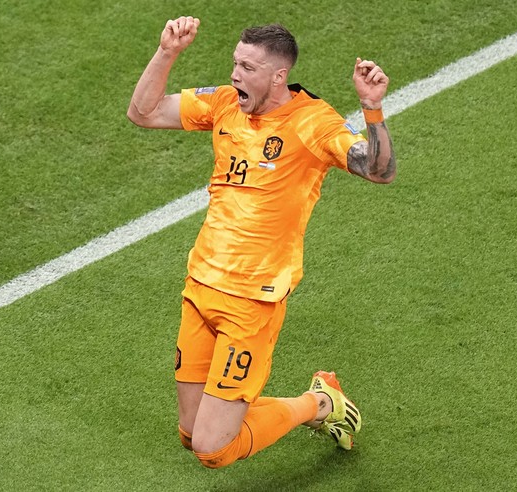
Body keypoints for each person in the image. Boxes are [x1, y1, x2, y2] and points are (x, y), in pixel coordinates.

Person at [127, 16, 396, 469]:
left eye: (247, 67)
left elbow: (378, 170)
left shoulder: (312, 123)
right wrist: (167, 52)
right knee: (191, 435)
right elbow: (144, 112)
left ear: (278, 75)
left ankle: (320, 403)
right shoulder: (226, 103)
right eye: (235, 63)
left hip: (252, 301)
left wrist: (372, 109)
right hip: (200, 287)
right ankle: (257, 410)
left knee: (213, 450)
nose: (235, 75)